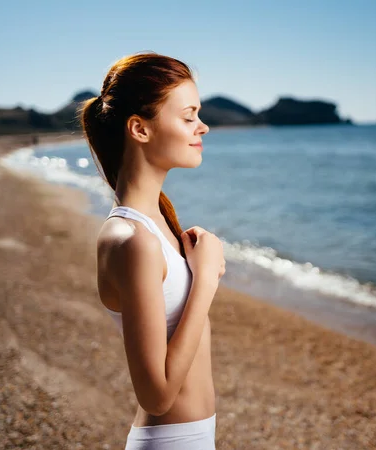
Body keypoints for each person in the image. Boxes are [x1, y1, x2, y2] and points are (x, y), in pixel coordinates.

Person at [81, 52, 226, 449]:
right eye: (188, 116)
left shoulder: (158, 222)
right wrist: (206, 280)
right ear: (139, 129)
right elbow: (156, 396)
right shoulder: (133, 240)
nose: (203, 127)